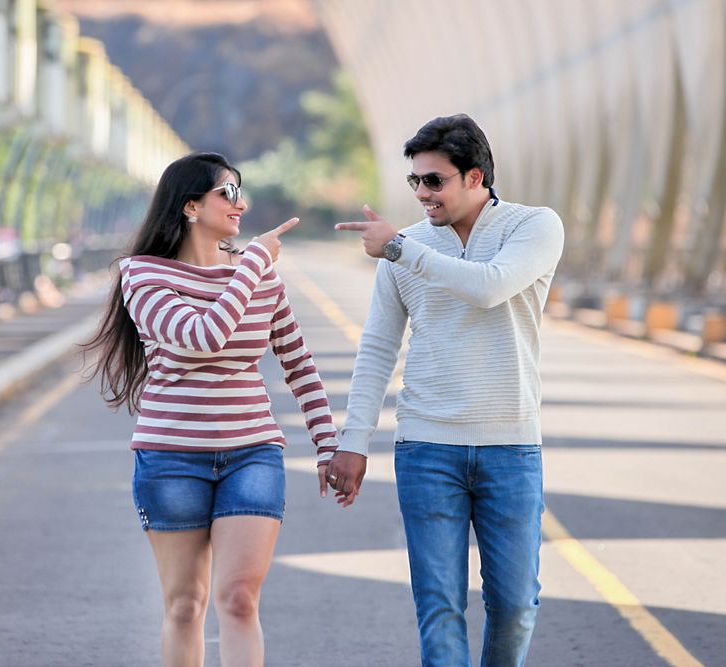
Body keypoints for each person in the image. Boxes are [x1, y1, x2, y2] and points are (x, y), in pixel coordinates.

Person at [82, 152, 340, 667]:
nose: (240, 204)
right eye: (228, 192)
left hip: (253, 453)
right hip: (171, 457)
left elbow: (298, 362)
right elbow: (203, 336)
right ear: (190, 207)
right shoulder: (144, 275)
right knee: (185, 604)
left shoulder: (258, 276)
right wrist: (251, 265)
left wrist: (328, 443)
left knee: (239, 599)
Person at [327, 114, 565, 667]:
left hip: (511, 447)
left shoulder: (534, 227)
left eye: (433, 180)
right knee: (439, 607)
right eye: (415, 181)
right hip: (426, 447)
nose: (421, 193)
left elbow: (490, 288)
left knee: (516, 605)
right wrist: (353, 441)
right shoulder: (405, 246)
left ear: (475, 177)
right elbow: (377, 349)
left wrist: (399, 250)